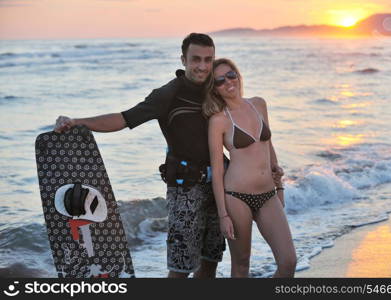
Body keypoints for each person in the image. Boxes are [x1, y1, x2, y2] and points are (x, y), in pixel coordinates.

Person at [54, 33, 226, 278]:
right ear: (183, 60)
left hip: (219, 185)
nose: (202, 66)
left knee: (211, 259)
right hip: (185, 189)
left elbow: (237, 126)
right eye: (195, 59)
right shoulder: (167, 94)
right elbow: (124, 119)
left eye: (208, 60)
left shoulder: (216, 90)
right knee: (180, 268)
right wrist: (77, 122)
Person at [203, 58, 297, 277]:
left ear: (238, 75)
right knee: (242, 264)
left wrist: (279, 187)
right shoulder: (219, 120)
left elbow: (269, 147)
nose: (228, 82)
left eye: (231, 75)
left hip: (267, 195)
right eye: (219, 80)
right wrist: (223, 215)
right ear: (214, 89)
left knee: (288, 261)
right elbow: (217, 171)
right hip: (236, 197)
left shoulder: (259, 104)